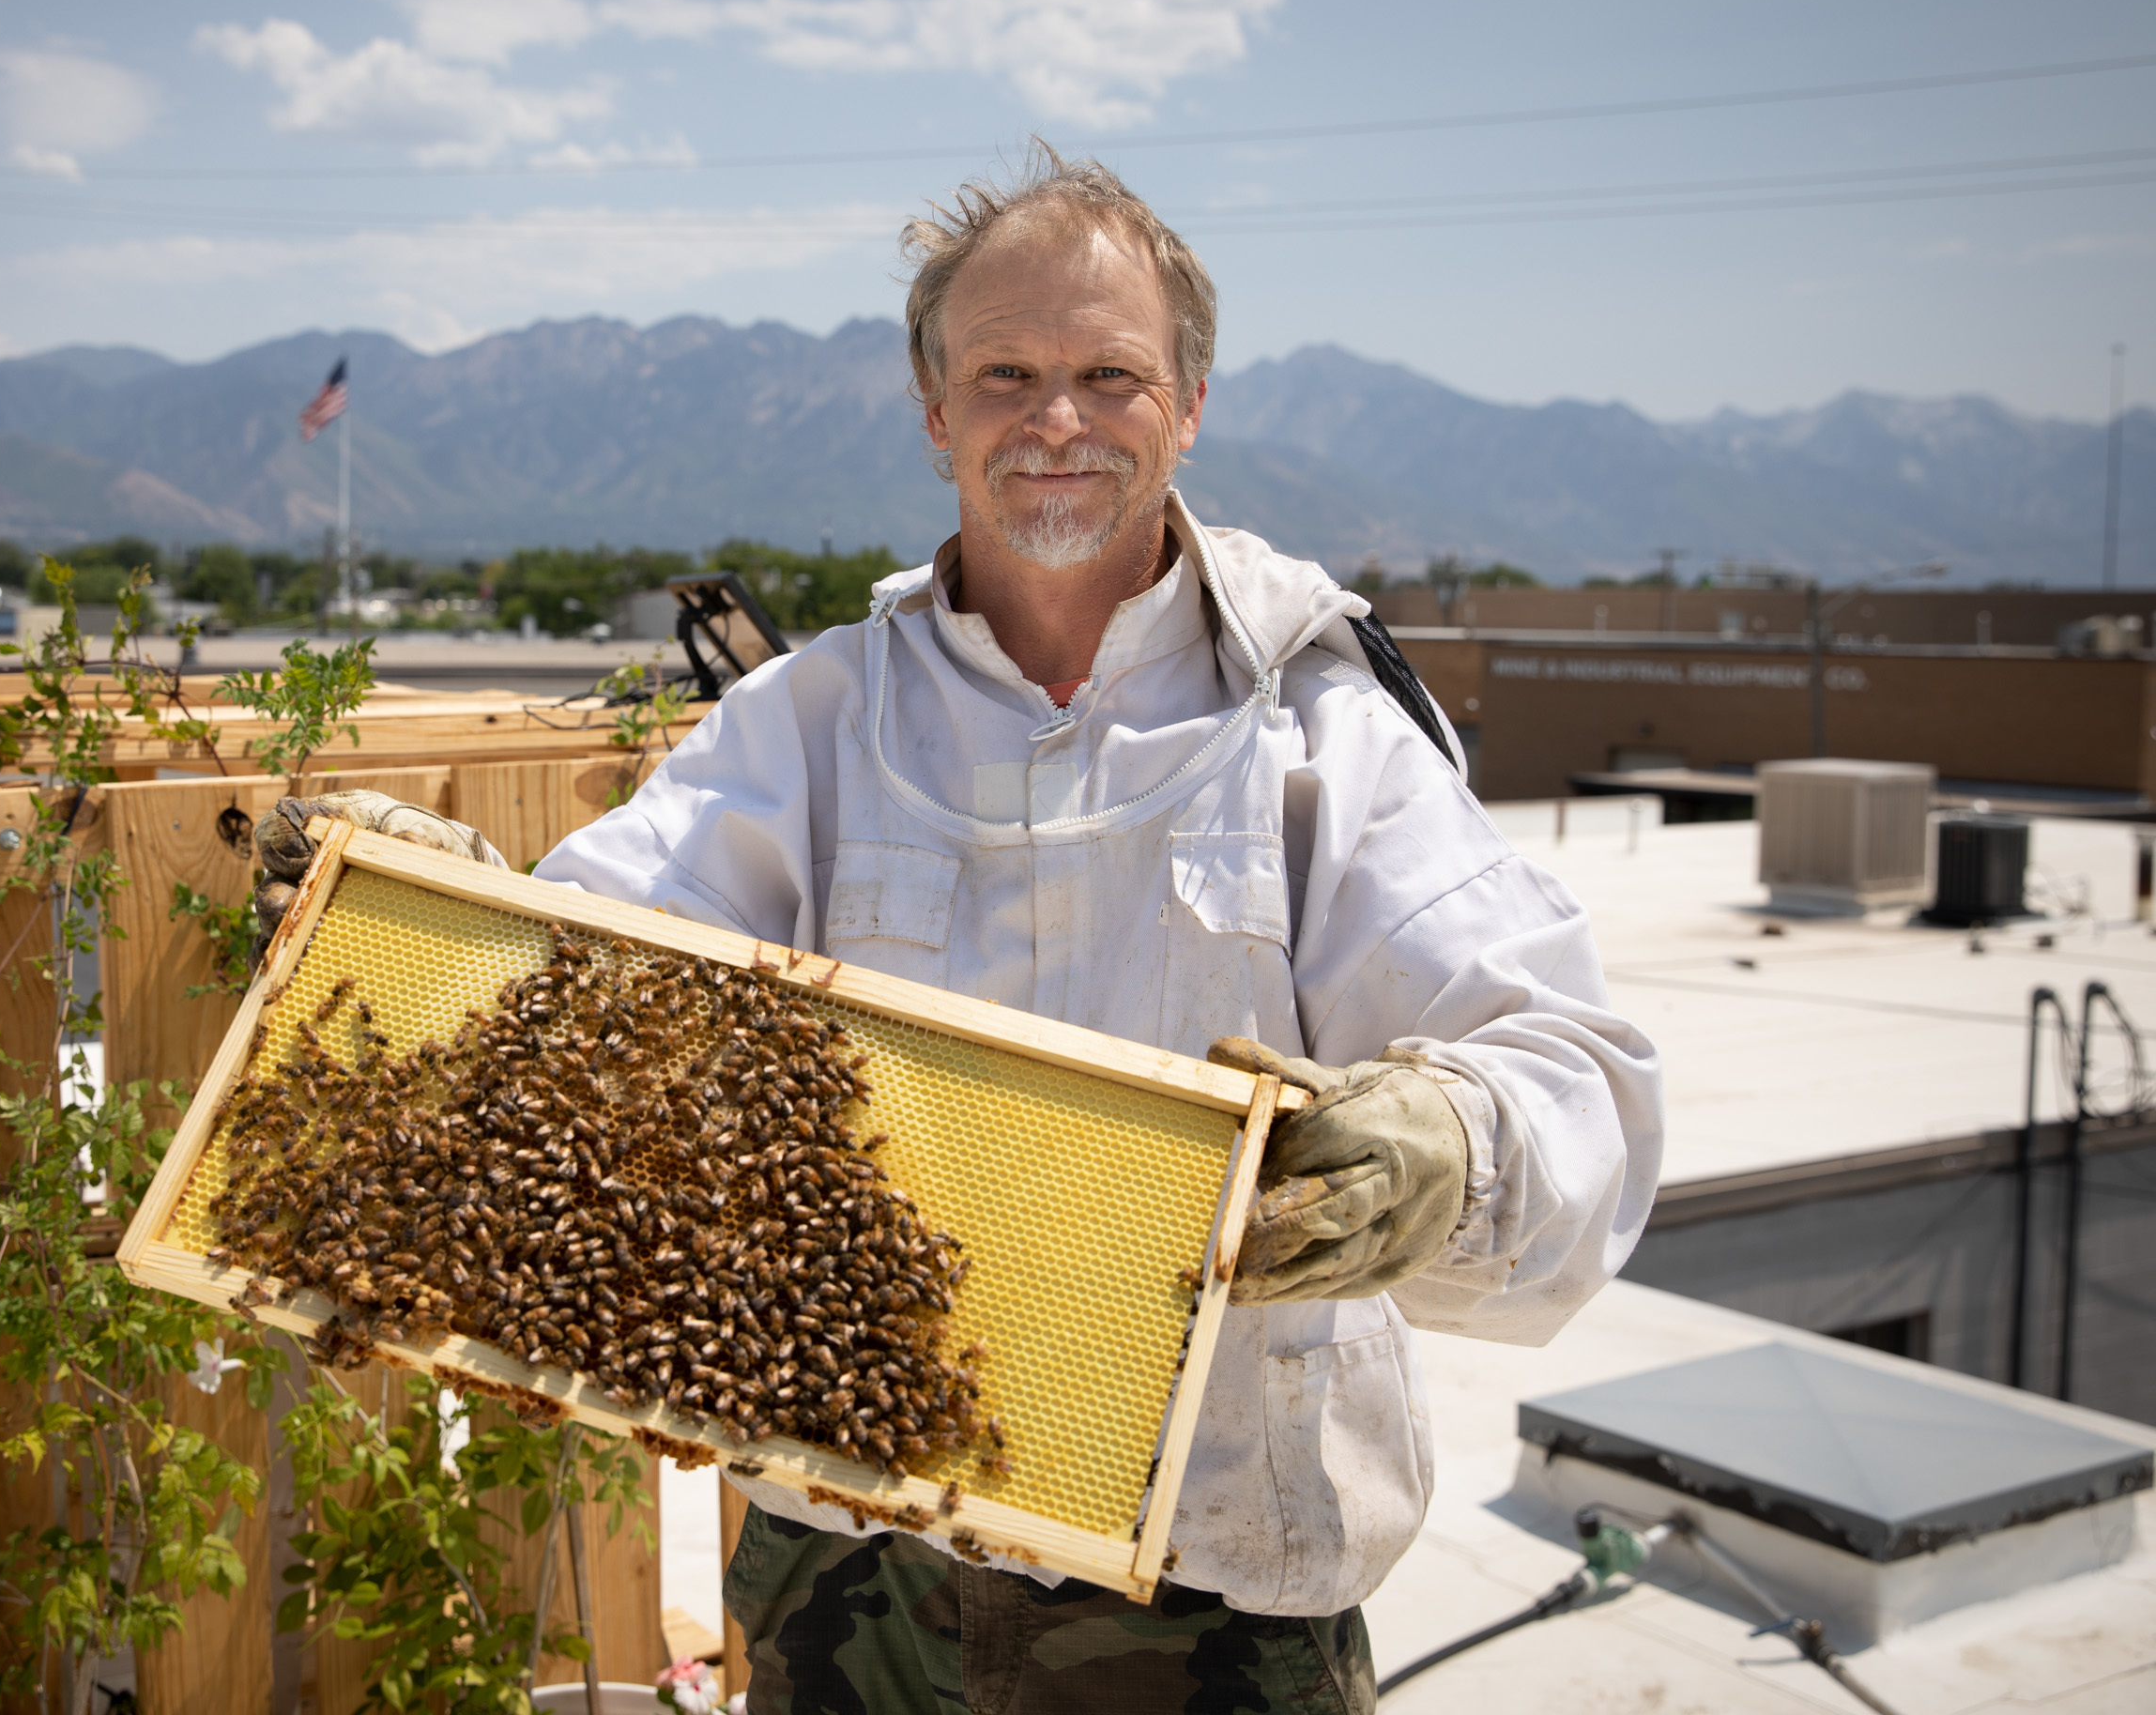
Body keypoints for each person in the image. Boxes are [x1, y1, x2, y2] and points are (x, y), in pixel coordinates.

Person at [252, 145, 1660, 1715]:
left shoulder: (1321, 729)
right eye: (1006, 374)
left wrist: (1449, 1145)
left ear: (1188, 405)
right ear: (938, 416)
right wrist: (433, 928)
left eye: (1108, 375)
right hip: (848, 1574)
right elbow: (601, 953)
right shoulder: (815, 718)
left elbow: (1572, 1078)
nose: (1056, 420)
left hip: (1213, 1595)